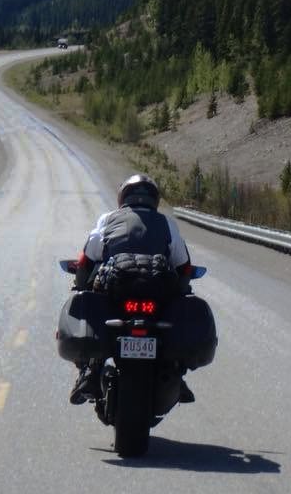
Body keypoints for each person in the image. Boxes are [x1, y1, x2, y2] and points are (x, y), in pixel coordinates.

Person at [69, 173, 196, 405]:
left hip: (118, 289)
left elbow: (86, 259)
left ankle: (88, 370)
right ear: (154, 200)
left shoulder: (108, 219)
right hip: (157, 292)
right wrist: (182, 289)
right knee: (174, 313)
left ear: (123, 197)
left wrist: (79, 284)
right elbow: (184, 266)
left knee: (95, 310)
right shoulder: (167, 223)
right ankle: (176, 371)